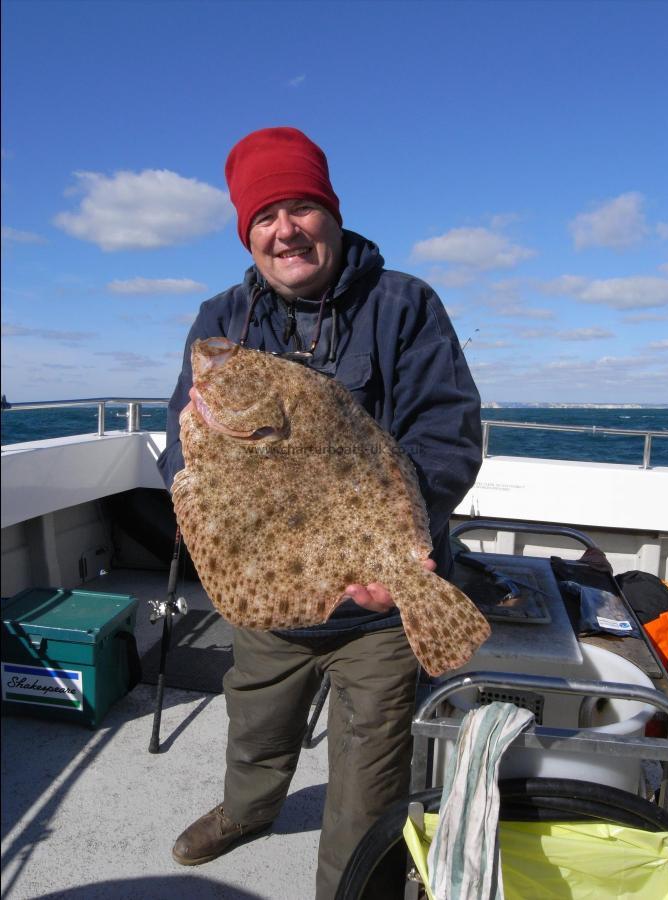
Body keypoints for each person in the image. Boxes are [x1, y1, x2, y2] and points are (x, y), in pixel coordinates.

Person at [157, 126, 482, 899]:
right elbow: (184, 447)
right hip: (274, 599)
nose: (284, 230)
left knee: (369, 777)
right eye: (265, 217)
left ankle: (349, 889)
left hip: (376, 612)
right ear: (248, 232)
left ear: (331, 215)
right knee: (255, 726)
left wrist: (392, 553)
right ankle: (247, 810)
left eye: (300, 208)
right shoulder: (222, 317)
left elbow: (446, 434)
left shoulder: (403, 304)